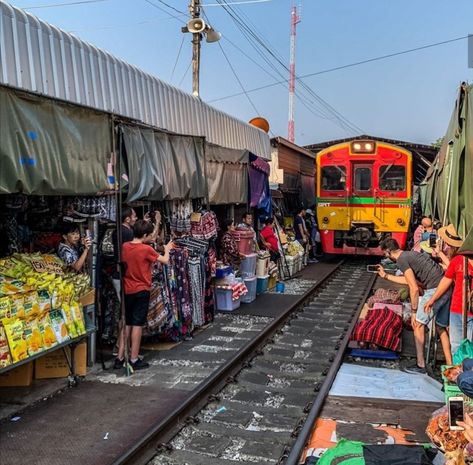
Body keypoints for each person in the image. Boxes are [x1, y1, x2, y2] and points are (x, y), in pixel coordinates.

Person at [378, 237, 452, 373]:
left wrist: (413, 311)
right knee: (441, 327)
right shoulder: (410, 254)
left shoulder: (401, 260)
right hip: (446, 287)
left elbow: (413, 288)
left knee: (417, 324)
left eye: (385, 254)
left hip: (435, 289)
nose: (385, 256)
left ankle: (420, 365)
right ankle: (450, 365)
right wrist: (386, 276)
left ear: (388, 252)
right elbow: (409, 280)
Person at [114, 220, 174, 371]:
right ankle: (134, 358)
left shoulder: (124, 246)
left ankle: (119, 358)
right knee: (137, 324)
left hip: (127, 289)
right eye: (150, 235)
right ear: (145, 235)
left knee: (126, 322)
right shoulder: (146, 249)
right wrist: (167, 249)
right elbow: (165, 261)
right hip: (141, 290)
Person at [424, 238, 472, 356]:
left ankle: (466, 372)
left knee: (467, 346)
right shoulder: (458, 261)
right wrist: (432, 299)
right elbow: (447, 280)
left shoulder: (459, 260)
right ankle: (460, 372)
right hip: (457, 309)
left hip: (463, 310)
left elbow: (447, 280)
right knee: (458, 345)